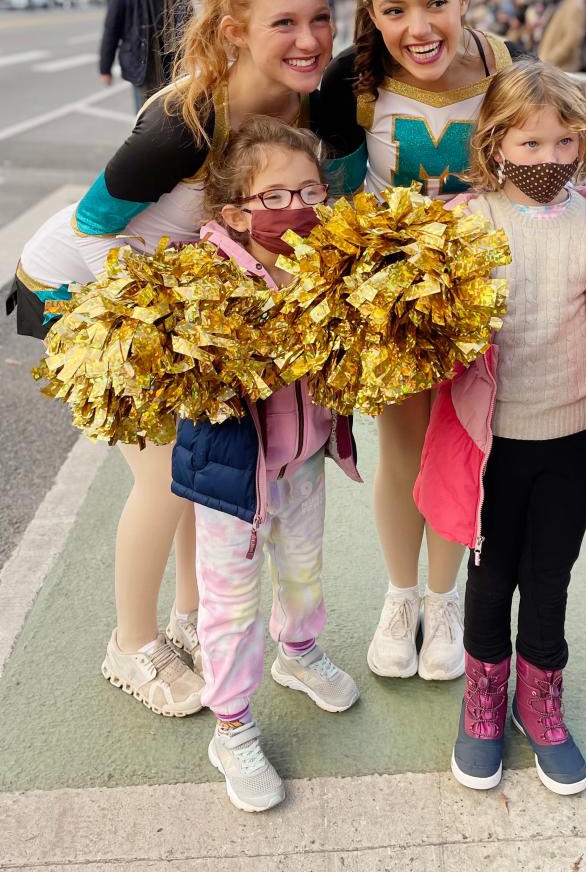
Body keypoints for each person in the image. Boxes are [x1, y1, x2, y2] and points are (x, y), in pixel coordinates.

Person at [9, 0, 334, 718]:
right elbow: (91, 227)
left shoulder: (305, 108)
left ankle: (191, 621)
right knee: (162, 480)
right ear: (233, 31)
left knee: (196, 471)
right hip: (83, 285)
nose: (309, 39)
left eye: (321, 18)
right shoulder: (187, 118)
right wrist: (168, 322)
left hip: (174, 297)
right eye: (284, 23)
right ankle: (130, 645)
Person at [413, 61, 586, 795]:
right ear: (494, 145)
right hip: (491, 443)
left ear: (582, 144)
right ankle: (484, 700)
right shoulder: (461, 225)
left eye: (562, 144)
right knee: (491, 578)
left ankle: (539, 700)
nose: (547, 160)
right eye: (529, 145)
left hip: (574, 440)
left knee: (549, 574)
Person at [316, 0, 527, 684]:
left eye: (435, 3)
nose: (418, 27)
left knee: (462, 447)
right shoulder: (351, 83)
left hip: (486, 296)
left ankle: (446, 602)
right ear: (370, 13)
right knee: (402, 449)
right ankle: (399, 596)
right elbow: (329, 199)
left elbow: (540, 170)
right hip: (393, 301)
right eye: (394, 11)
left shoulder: (507, 68)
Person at [172, 117, 360, 813]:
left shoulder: (330, 261)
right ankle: (232, 726)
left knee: (305, 568)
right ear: (232, 213)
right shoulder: (205, 277)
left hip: (305, 459)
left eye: (310, 190)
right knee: (229, 604)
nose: (297, 207)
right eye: (275, 197)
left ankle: (300, 652)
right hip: (230, 477)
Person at [100, 0, 193, 110]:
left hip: (173, 69)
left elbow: (191, 28)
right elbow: (111, 30)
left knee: (174, 120)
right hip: (142, 68)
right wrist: (105, 69)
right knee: (144, 119)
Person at [537, 0, 586, 71]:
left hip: (562, 70)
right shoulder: (562, 3)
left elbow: (572, 39)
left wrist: (550, 59)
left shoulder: (573, 5)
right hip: (553, 69)